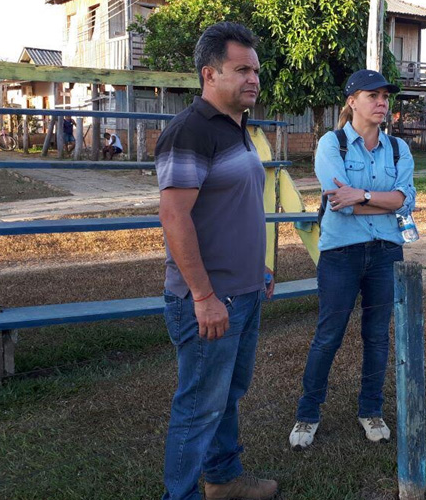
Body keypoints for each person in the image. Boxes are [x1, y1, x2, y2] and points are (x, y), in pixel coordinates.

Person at [155, 22, 277, 500]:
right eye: (242, 69)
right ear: (209, 73)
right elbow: (174, 216)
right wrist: (203, 296)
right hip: (208, 299)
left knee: (226, 396)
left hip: (244, 288)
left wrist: (257, 267)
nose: (254, 79)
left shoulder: (236, 126)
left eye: (256, 70)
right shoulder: (190, 131)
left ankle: (223, 480)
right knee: (199, 406)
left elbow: (234, 207)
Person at [288, 70, 417, 450]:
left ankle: (370, 410)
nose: (381, 103)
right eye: (372, 95)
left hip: (386, 253)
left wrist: (359, 195)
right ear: (351, 101)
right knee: (328, 335)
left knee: (377, 336)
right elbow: (338, 204)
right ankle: (308, 414)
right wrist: (380, 201)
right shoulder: (331, 145)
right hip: (341, 254)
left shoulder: (398, 149)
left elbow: (406, 201)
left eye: (385, 97)